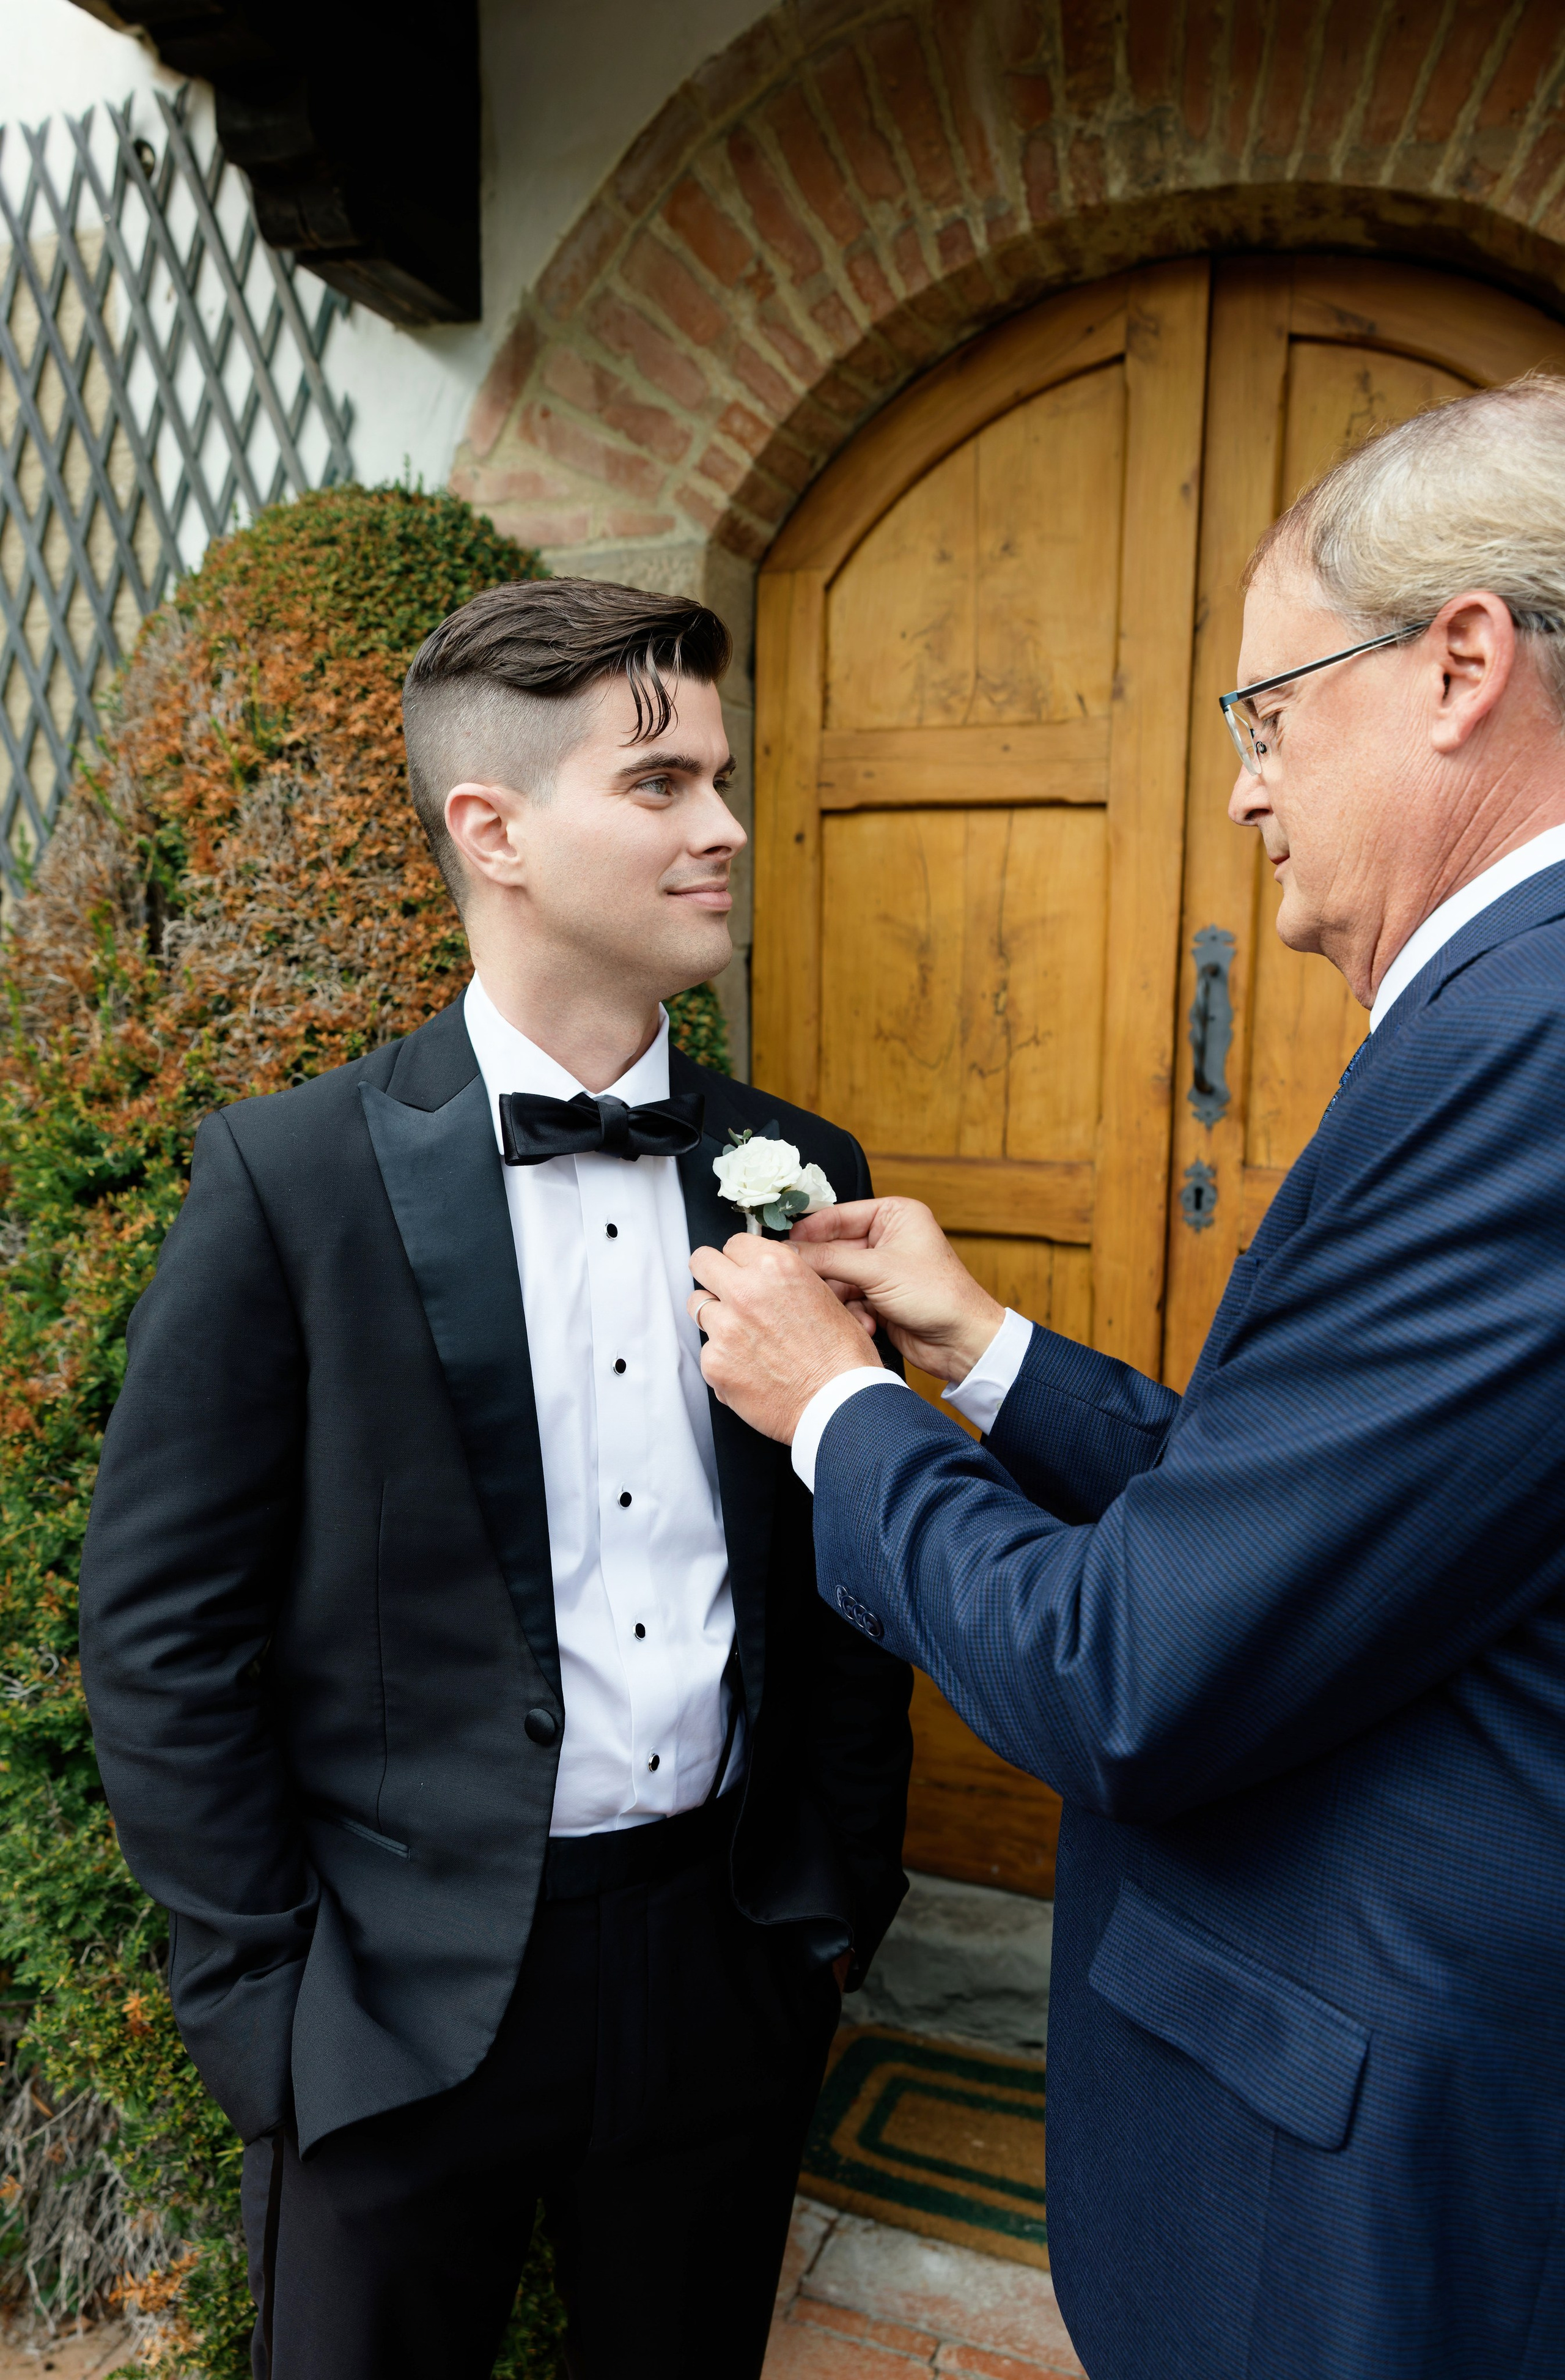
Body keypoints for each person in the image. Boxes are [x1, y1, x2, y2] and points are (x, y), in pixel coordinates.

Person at [687, 377, 1565, 2379]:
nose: (1244, 788)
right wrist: (979, 1346)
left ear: (1460, 664)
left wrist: (837, 1407)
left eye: (1268, 714)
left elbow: (1138, 1667)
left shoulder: (1529, 1050)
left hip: (1372, 2178)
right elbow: (1322, 1519)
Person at [77, 578, 912, 2380]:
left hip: (722, 1955)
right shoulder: (291, 1182)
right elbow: (159, 1631)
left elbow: (853, 1577)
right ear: (495, 829)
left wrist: (831, 1912)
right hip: (389, 1999)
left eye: (723, 777)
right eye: (664, 784)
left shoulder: (799, 1166)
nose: (727, 827)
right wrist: (267, 2010)